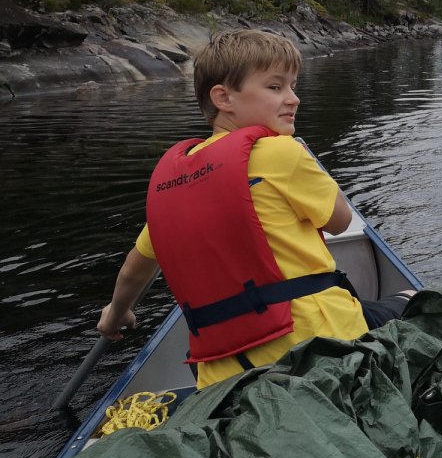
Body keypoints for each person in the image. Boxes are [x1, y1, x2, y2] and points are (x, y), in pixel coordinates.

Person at [95, 29, 410, 389]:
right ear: (223, 97)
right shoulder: (282, 152)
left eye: (293, 86)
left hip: (223, 375)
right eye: (275, 87)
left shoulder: (174, 182)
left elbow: (134, 269)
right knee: (418, 300)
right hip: (320, 344)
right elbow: (340, 222)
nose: (293, 98)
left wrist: (115, 315)